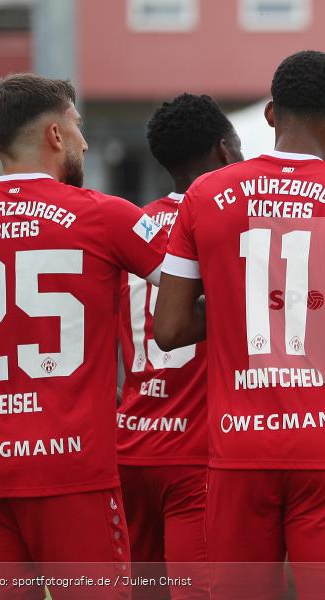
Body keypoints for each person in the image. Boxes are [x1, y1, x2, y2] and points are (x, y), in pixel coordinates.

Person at [152, 50, 325, 600]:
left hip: (237, 451)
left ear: (272, 114)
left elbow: (171, 329)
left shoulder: (205, 195)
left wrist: (239, 305)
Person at [0, 73, 167, 599]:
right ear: (55, 135)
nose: (83, 139)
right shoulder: (105, 216)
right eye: (77, 126)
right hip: (73, 464)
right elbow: (195, 286)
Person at [116, 93, 243, 599]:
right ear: (224, 151)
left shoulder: (127, 228)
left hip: (130, 445)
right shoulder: (225, 224)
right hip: (197, 451)